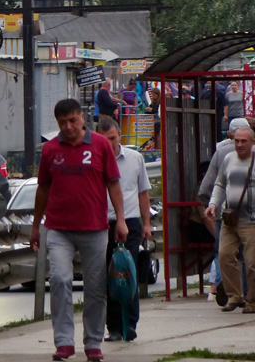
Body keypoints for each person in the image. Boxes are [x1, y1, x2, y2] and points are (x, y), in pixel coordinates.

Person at [32, 98, 127, 362]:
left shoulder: (99, 146)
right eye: (62, 123)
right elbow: (43, 188)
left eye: (72, 121)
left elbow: (113, 184)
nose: (68, 127)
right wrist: (36, 226)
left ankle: (93, 343)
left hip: (95, 228)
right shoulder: (51, 150)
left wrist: (120, 220)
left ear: (82, 118)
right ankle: (64, 342)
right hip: (59, 228)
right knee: (60, 280)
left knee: (95, 287)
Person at [205, 126, 255, 314]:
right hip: (230, 220)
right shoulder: (228, 159)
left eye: (243, 141)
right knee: (224, 256)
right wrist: (213, 203)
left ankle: (252, 301)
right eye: (236, 141)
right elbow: (220, 184)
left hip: (253, 220)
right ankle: (234, 296)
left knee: (253, 264)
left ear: (252, 142)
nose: (239, 145)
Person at [95, 117, 152, 343]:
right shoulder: (95, 159)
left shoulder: (135, 158)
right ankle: (114, 327)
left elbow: (143, 192)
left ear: (119, 136)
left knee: (128, 275)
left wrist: (146, 223)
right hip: (102, 223)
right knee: (109, 278)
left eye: (112, 138)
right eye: (104, 139)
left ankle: (130, 323)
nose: (109, 144)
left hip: (130, 222)